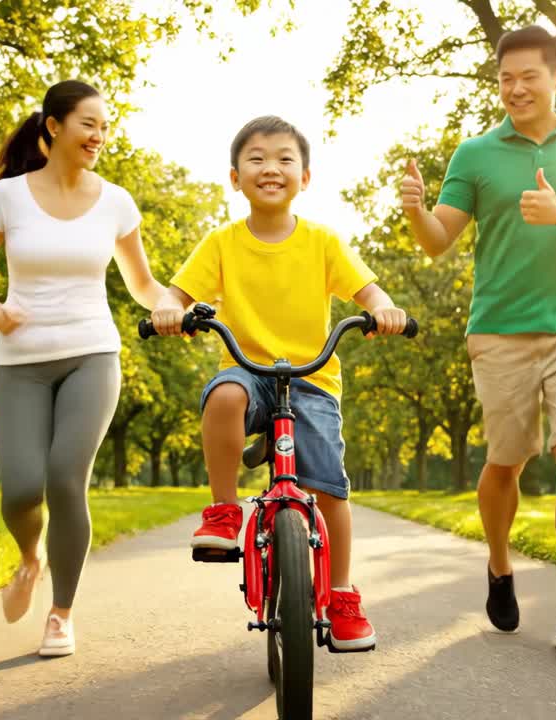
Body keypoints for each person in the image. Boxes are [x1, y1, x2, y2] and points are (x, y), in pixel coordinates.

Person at [400, 25, 556, 653]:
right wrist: (414, 211)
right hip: (500, 332)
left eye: (528, 76)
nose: (515, 88)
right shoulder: (476, 154)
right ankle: (500, 563)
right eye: (505, 78)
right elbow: (437, 240)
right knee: (507, 461)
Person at [150, 116, 409, 651]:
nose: (271, 168)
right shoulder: (221, 243)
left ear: (305, 178)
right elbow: (175, 294)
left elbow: (371, 292)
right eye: (257, 158)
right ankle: (223, 511)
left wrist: (385, 312)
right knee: (222, 395)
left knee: (329, 488)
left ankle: (340, 593)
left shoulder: (322, 242)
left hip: (312, 377)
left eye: (285, 159)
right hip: (250, 371)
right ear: (234, 177)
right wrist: (167, 310)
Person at [0, 80, 166, 658]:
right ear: (53, 126)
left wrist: (176, 303)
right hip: (21, 361)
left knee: (65, 480)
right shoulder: (7, 197)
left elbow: (143, 285)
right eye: (89, 124)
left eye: (105, 127)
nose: (99, 136)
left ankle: (61, 613)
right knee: (21, 490)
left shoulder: (117, 202)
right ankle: (30, 557)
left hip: (92, 354)